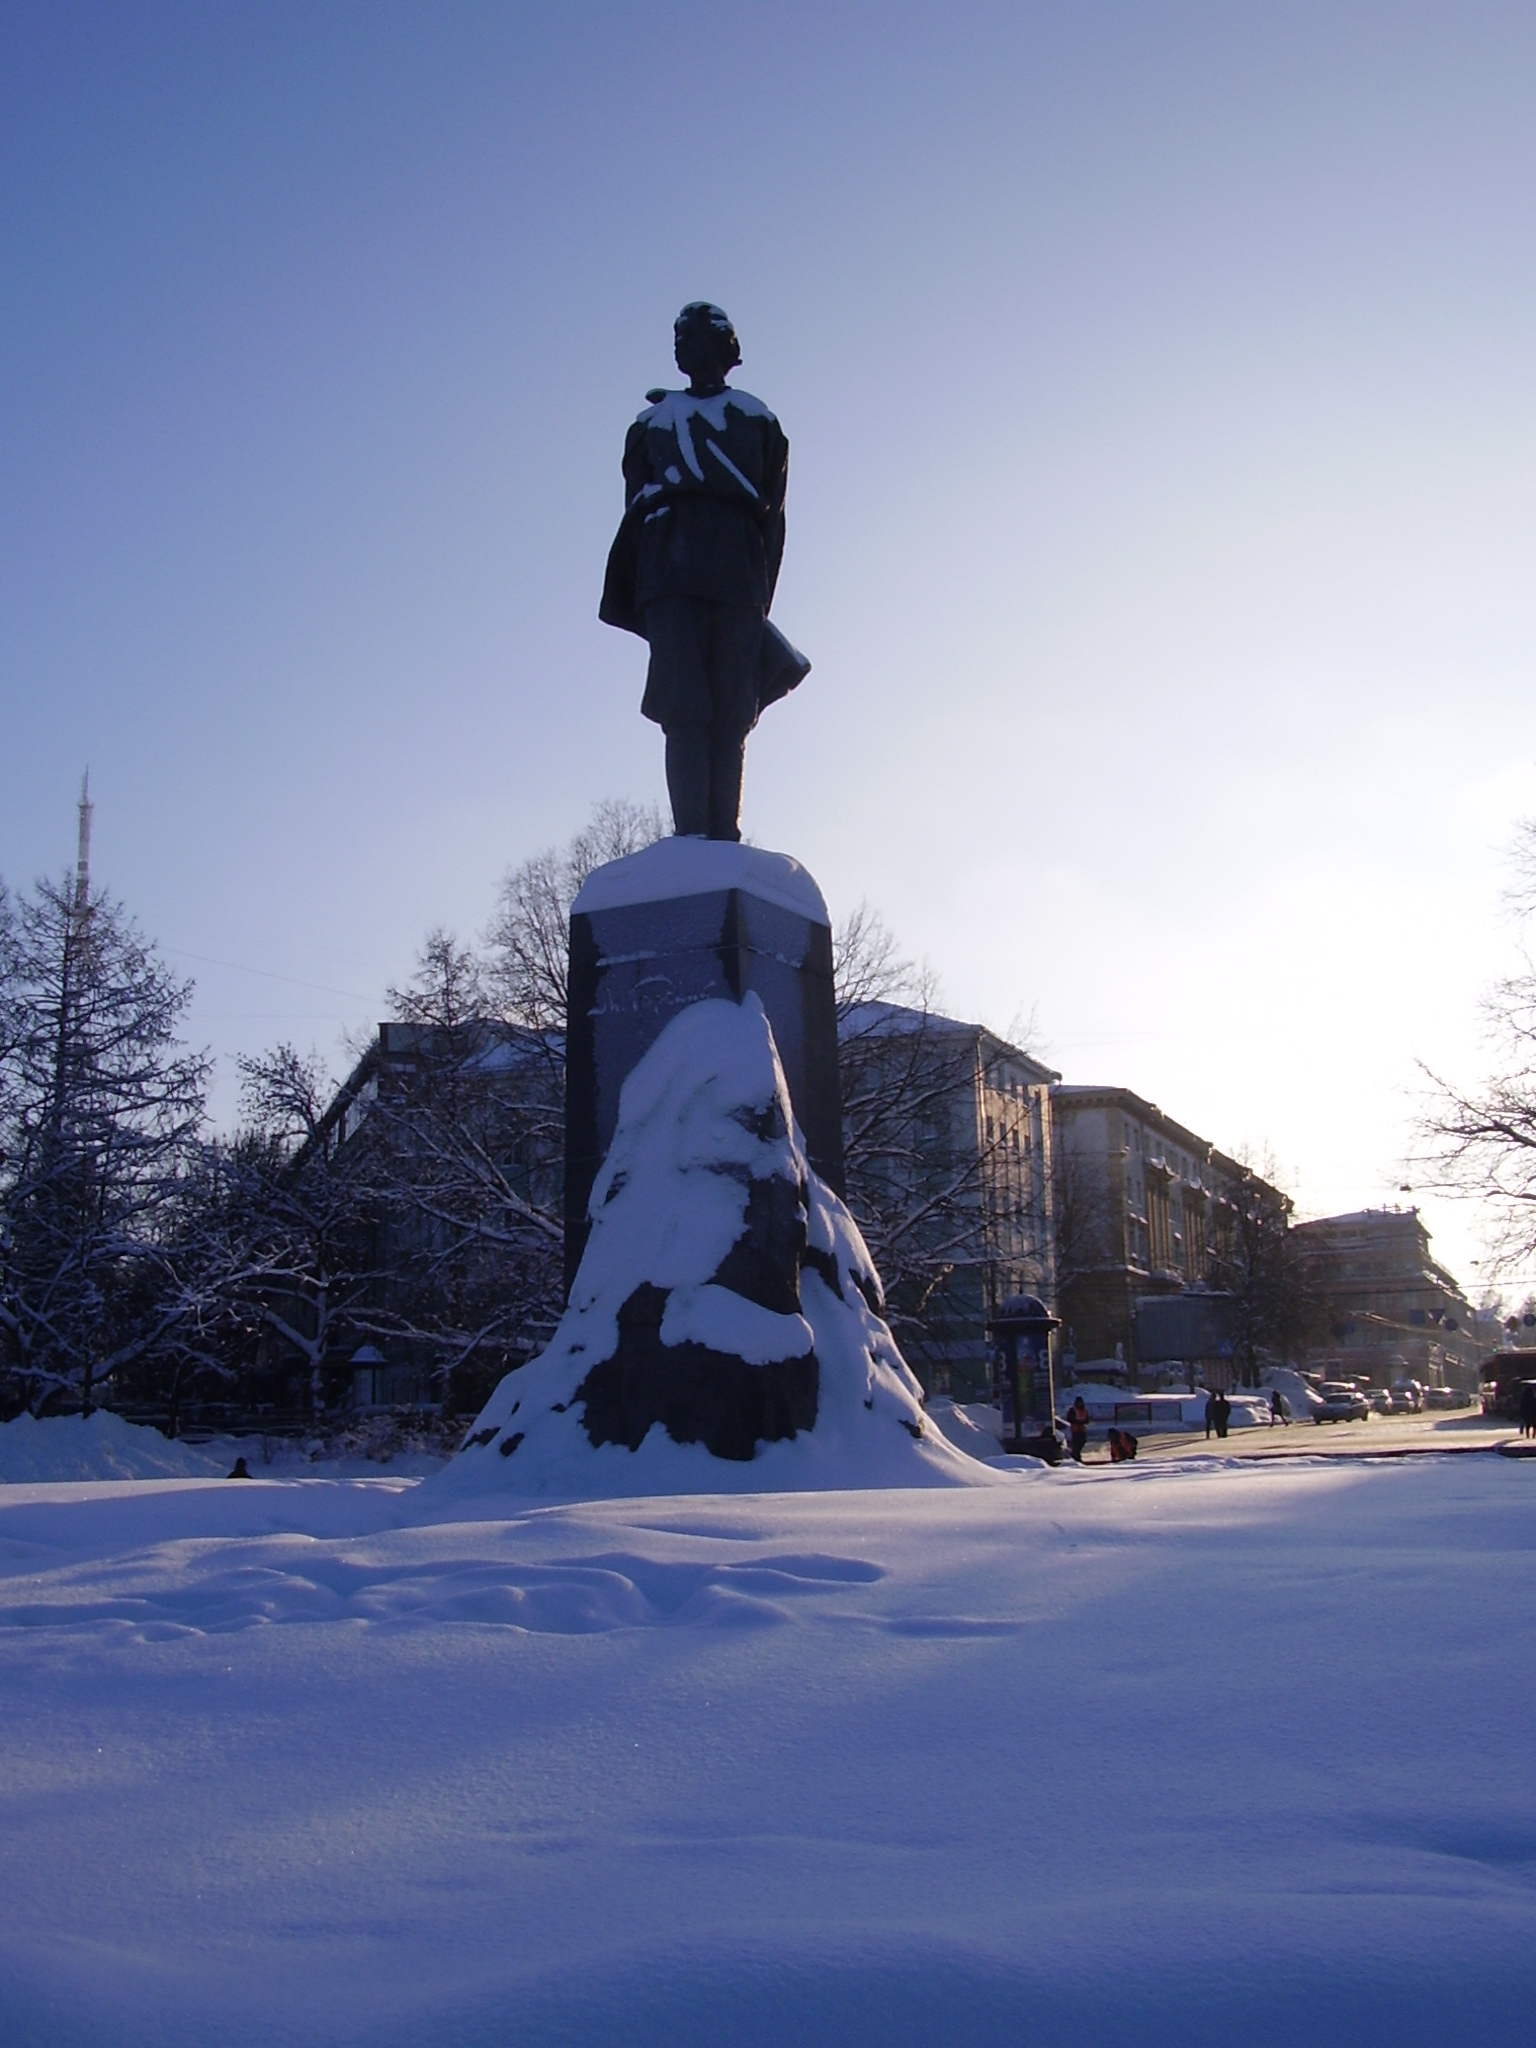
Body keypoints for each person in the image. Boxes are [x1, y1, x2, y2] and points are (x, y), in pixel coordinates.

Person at [600, 303, 806, 841]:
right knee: (684, 705)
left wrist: (761, 596)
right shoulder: (648, 425)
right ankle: (692, 836)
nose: (679, 347)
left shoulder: (756, 419)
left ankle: (723, 834)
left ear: (723, 345)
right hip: (669, 570)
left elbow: (773, 519)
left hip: (736, 570)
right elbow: (635, 510)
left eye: (689, 337)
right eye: (676, 338)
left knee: (731, 708)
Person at [1067, 1395, 1090, 1463]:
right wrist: (1077, 1421)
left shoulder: (1084, 1410)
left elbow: (1087, 1419)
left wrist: (1083, 1421)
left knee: (1082, 1442)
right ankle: (1076, 1457)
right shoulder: (1072, 1410)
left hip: (1082, 1429)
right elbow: (1070, 1419)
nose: (1080, 1404)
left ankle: (1076, 1455)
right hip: (1075, 1430)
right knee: (1076, 1444)